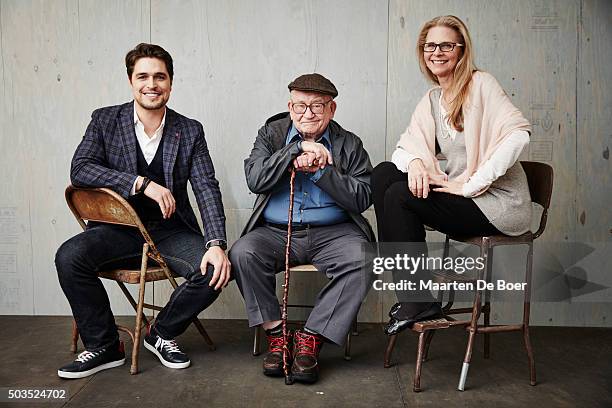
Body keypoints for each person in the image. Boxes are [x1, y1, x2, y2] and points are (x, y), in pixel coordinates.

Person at [55, 43, 231, 378]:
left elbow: (206, 187)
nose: (152, 84)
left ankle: (160, 333)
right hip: (118, 229)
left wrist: (216, 244)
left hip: (170, 230)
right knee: (69, 256)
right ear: (131, 81)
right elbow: (81, 169)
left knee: (216, 270)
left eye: (160, 77)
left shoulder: (190, 130)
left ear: (170, 83)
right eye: (143, 76)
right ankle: (105, 345)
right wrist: (140, 183)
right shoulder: (105, 120)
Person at [372, 15, 532, 335]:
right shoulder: (433, 99)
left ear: (461, 50)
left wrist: (471, 184)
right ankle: (415, 296)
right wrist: (417, 162)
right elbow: (403, 150)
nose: (437, 52)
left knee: (399, 196)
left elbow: (519, 135)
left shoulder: (481, 84)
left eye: (446, 45)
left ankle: (416, 299)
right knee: (384, 174)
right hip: (459, 195)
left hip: (495, 204)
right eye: (430, 45)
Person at [230, 73, 374, 384]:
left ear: (332, 109)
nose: (307, 113)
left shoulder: (349, 143)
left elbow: (363, 196)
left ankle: (311, 337)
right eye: (299, 106)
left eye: (317, 106)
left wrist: (324, 171)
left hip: (334, 232)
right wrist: (294, 151)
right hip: (276, 231)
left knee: (364, 258)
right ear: (289, 105)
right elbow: (255, 178)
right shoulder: (270, 134)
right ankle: (278, 336)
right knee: (242, 253)